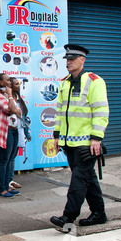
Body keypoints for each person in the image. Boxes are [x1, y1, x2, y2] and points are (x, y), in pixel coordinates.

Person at [50, 44, 109, 229]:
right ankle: (99, 213)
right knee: (88, 179)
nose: (68, 62)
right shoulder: (65, 82)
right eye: (67, 59)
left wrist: (96, 138)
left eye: (72, 59)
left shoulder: (94, 81)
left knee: (78, 181)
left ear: (82, 60)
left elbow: (101, 110)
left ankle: (68, 217)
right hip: (69, 142)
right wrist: (57, 136)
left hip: (86, 143)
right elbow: (60, 112)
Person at [0, 73, 21, 198]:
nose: (10, 82)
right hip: (4, 131)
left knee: (9, 160)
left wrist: (10, 97)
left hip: (13, 130)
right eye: (7, 80)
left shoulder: (7, 96)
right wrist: (9, 96)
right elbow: (11, 110)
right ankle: (1, 189)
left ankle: (7, 186)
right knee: (2, 160)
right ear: (0, 83)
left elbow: (18, 111)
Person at [8, 77, 32, 190]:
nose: (18, 85)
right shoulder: (6, 98)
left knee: (12, 157)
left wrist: (27, 134)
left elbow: (24, 119)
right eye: (16, 84)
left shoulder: (19, 100)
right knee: (7, 157)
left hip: (19, 131)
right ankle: (5, 182)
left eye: (19, 83)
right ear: (11, 86)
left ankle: (10, 180)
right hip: (8, 131)